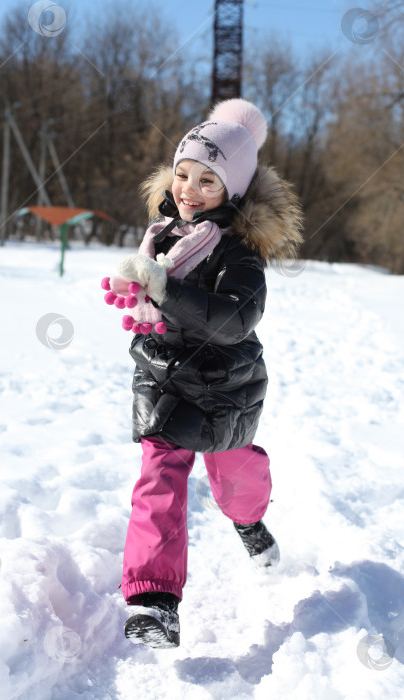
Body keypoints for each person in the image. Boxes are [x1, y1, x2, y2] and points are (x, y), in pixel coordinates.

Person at [105, 99, 303, 649]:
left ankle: (249, 523)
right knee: (158, 483)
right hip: (165, 380)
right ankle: (153, 601)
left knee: (233, 477)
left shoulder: (240, 254)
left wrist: (166, 290)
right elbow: (151, 293)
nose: (189, 189)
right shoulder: (162, 234)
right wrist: (137, 292)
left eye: (208, 181)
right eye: (183, 173)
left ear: (233, 192)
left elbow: (236, 319)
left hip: (222, 387)